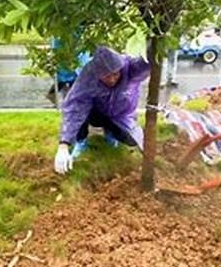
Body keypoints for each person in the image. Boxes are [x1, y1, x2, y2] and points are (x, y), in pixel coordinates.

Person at [54, 46, 150, 174]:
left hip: (121, 115)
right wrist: (63, 145)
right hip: (97, 113)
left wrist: (153, 47)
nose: (112, 79)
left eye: (115, 74)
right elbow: (75, 106)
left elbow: (147, 62)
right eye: (106, 76)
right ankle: (81, 140)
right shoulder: (88, 75)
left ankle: (111, 132)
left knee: (131, 140)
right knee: (80, 113)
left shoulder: (130, 68)